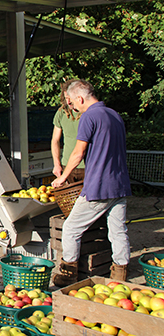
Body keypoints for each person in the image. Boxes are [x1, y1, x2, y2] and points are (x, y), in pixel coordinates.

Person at [51, 79, 131, 286]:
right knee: (118, 231)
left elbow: (78, 153)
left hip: (99, 186)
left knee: (70, 229)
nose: (72, 107)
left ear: (80, 97)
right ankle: (120, 274)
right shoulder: (115, 115)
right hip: (120, 184)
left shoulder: (88, 117)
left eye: (72, 102)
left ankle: (68, 274)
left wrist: (61, 177)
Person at [51, 79, 85, 183]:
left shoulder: (88, 114)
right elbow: (55, 140)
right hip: (67, 166)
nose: (69, 101)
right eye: (66, 98)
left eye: (70, 98)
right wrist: (57, 164)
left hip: (87, 167)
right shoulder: (61, 113)